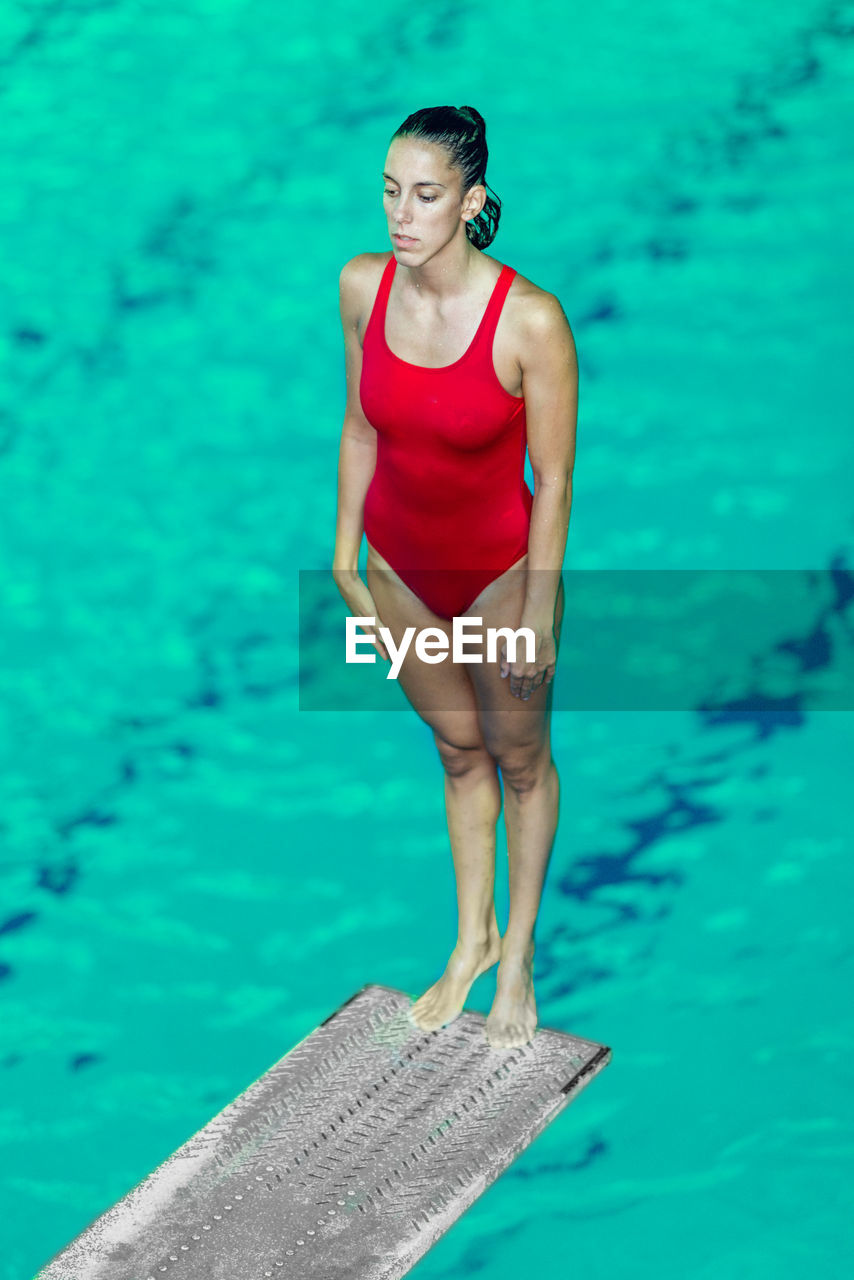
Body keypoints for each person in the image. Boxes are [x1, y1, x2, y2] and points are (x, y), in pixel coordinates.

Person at [333, 105, 578, 1049]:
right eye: (391, 192)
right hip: (398, 568)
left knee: (519, 760)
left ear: (471, 201)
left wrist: (542, 607)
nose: (402, 214)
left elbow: (553, 478)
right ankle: (469, 938)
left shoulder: (530, 321)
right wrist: (347, 553)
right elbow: (360, 425)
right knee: (456, 753)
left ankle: (517, 953)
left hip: (497, 578)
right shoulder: (362, 288)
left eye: (426, 195)